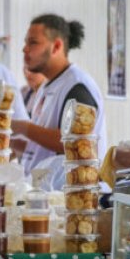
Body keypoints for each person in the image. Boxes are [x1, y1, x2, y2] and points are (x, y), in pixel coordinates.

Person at [13, 14, 108, 174]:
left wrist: (22, 127)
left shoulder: (76, 86)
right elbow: (43, 148)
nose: (25, 49)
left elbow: (73, 143)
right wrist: (10, 142)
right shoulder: (46, 85)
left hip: (74, 194)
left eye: (33, 43)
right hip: (44, 190)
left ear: (56, 46)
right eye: (25, 42)